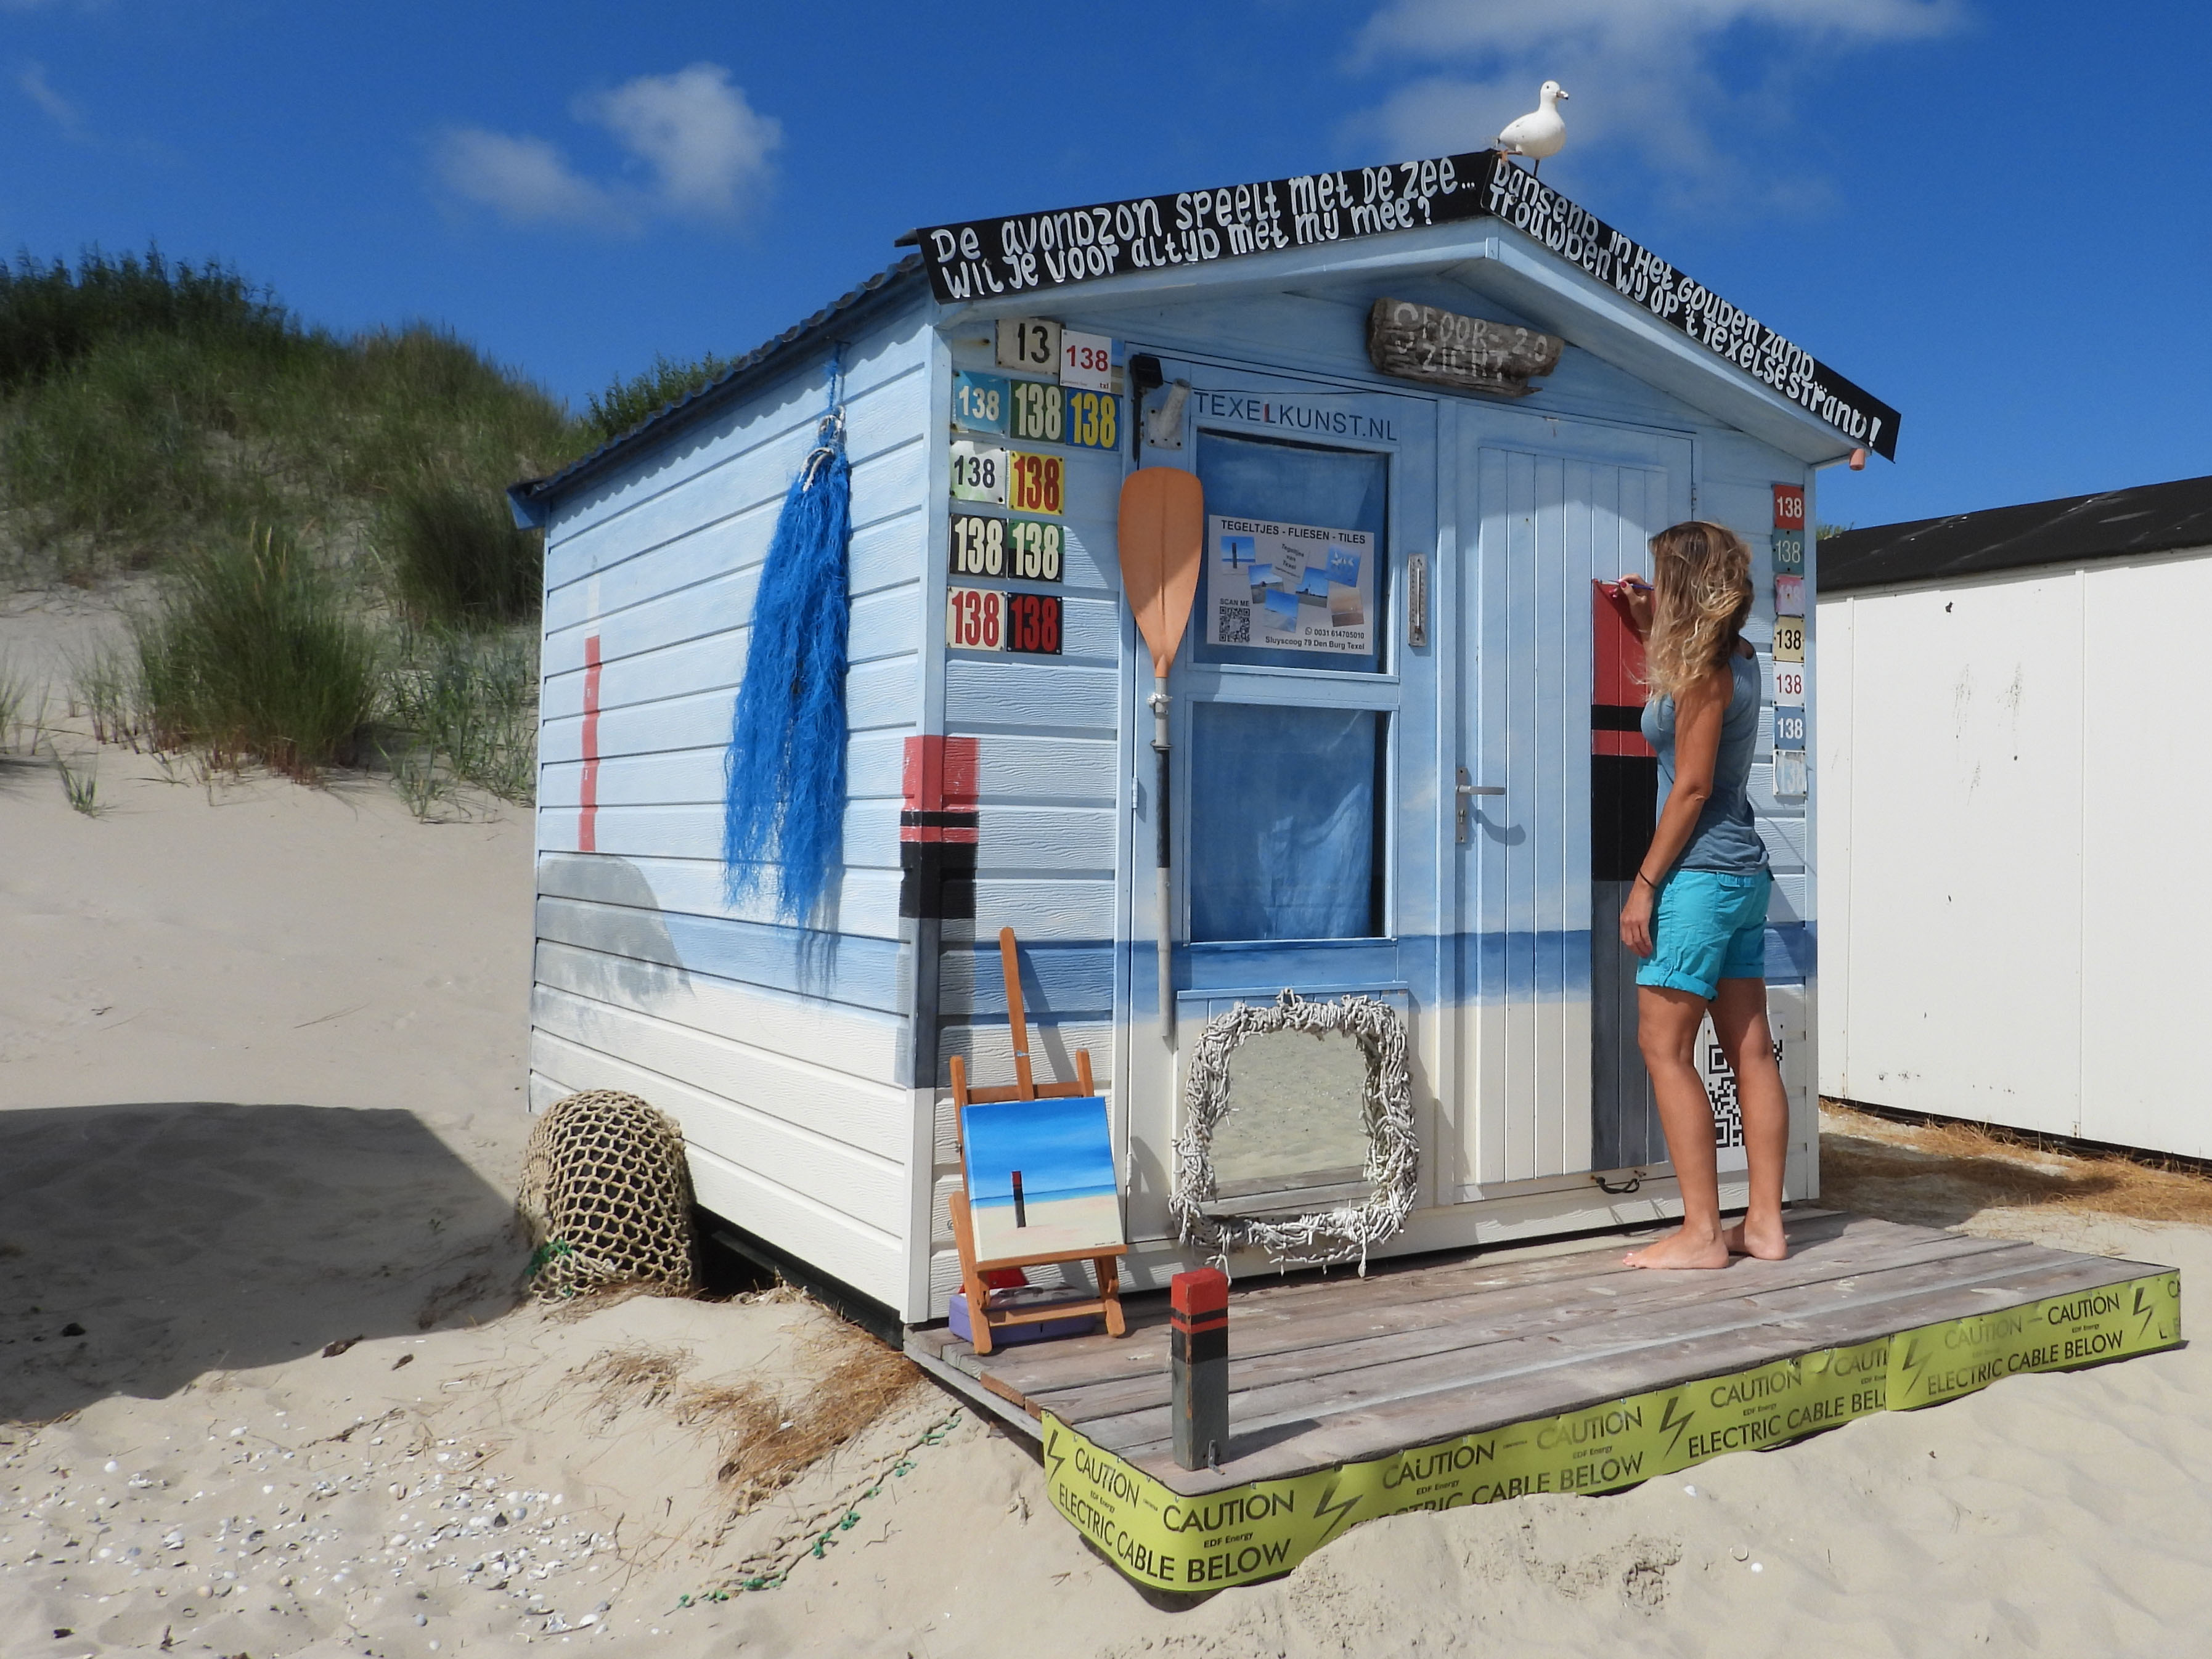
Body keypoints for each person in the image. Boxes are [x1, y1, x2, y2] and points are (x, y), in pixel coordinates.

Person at [1614, 522, 1789, 1268]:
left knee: (1663, 1046)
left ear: (1685, 583)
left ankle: (1700, 1234)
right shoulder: (1739, 658)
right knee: (1749, 1051)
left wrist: (1644, 885)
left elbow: (1688, 789)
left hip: (1697, 877)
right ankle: (1764, 1227)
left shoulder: (1704, 672)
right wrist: (1648, 624)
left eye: (1664, 574)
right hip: (1742, 877)